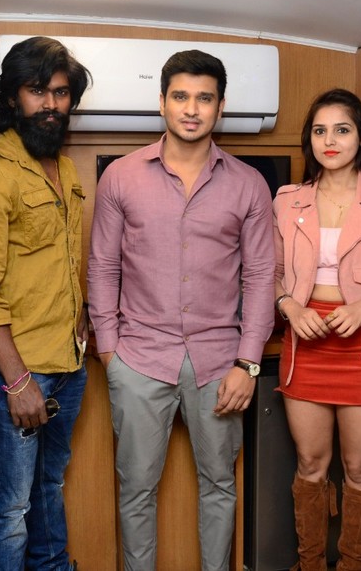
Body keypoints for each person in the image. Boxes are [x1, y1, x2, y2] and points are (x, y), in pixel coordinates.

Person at [88, 49, 275, 571]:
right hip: (138, 359)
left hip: (221, 365)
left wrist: (247, 364)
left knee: (219, 484)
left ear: (220, 107)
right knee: (135, 488)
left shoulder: (248, 183)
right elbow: (102, 266)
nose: (192, 109)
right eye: (181, 97)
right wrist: (109, 352)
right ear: (162, 102)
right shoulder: (121, 177)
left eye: (204, 98)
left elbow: (261, 276)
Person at [0, 36, 91, 571]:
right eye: (37, 91)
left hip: (68, 365)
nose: (51, 104)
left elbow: (63, 263)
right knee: (11, 507)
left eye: (61, 93)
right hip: (14, 372)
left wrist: (82, 320)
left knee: (49, 485)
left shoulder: (67, 170)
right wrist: (17, 381)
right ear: (12, 98)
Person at [274, 88, 361, 571]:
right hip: (304, 345)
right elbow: (268, 274)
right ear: (309, 140)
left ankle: (353, 564)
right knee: (310, 465)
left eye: (342, 129)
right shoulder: (287, 200)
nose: (329, 141)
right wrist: (290, 306)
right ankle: (310, 564)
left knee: (358, 467)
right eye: (319, 131)